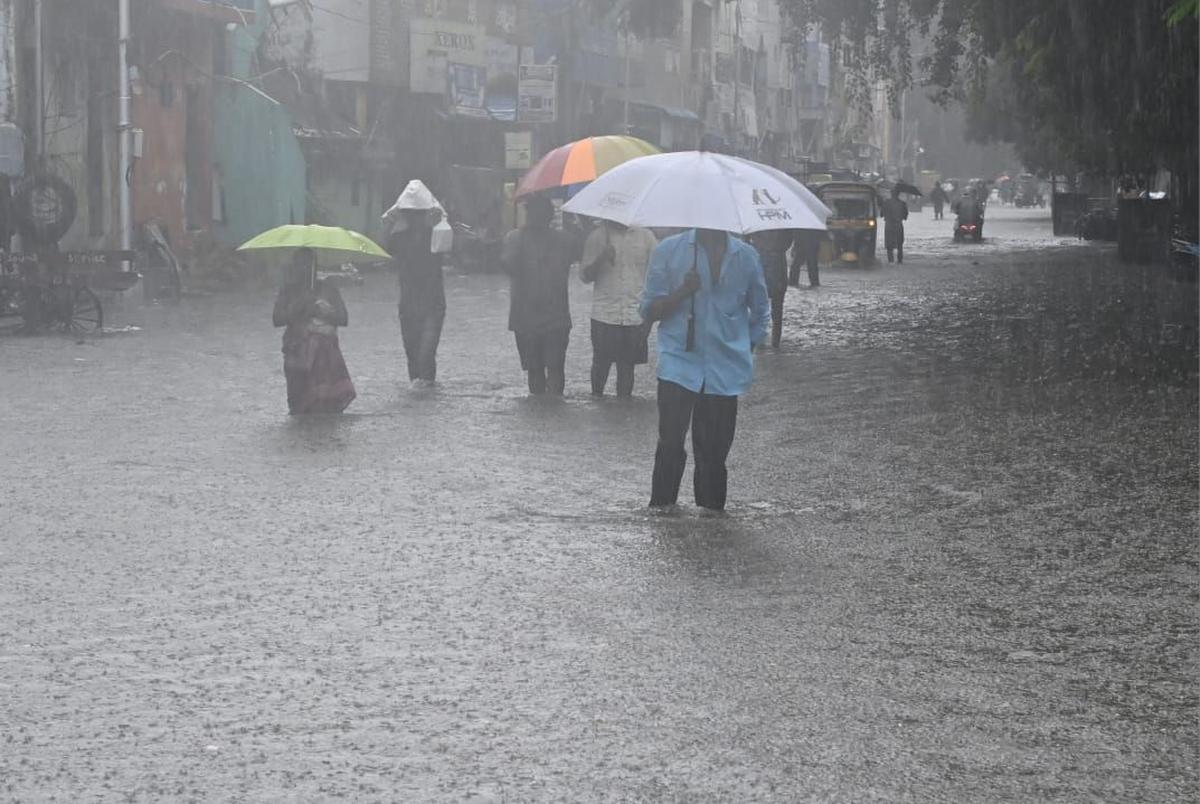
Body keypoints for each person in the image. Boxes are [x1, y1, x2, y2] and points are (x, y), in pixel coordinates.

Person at [640, 228, 770, 511]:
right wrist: (682, 292)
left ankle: (712, 524)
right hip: (678, 363)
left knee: (713, 454)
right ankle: (663, 515)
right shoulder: (668, 251)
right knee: (670, 444)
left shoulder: (746, 257)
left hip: (725, 369)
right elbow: (649, 311)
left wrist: (742, 349)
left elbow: (761, 312)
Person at [501, 196, 577, 395]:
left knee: (551, 369)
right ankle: (548, 412)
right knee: (541, 369)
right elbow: (508, 266)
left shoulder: (563, 240)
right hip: (530, 318)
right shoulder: (516, 239)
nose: (536, 217)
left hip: (550, 317)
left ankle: (545, 412)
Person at [272, 248, 356, 415]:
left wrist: (323, 311)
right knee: (298, 406)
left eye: (309, 265)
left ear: (315, 267)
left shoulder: (327, 289)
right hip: (296, 354)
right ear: (295, 267)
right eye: (300, 265)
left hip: (326, 357)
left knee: (327, 407)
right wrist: (301, 307)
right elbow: (277, 319)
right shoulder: (288, 290)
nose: (304, 270)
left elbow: (343, 318)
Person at [580, 219, 658, 396]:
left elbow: (656, 275)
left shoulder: (646, 237)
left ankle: (623, 409)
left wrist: (649, 319)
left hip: (635, 313)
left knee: (627, 368)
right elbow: (585, 276)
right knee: (600, 365)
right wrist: (601, 258)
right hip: (604, 314)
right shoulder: (596, 237)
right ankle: (597, 405)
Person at [384, 180, 447, 384]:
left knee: (426, 354)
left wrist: (438, 223)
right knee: (413, 357)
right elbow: (383, 249)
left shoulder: (437, 234)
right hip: (409, 304)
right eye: (412, 214)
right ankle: (421, 393)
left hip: (432, 304)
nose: (416, 218)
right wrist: (389, 224)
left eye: (419, 214)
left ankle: (426, 392)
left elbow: (449, 247)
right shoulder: (400, 238)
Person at [748, 229, 791, 348]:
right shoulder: (782, 225)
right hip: (768, 263)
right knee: (768, 305)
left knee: (770, 305)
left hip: (772, 264)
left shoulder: (756, 223)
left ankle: (767, 338)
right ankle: (768, 339)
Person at [880, 187, 909, 263]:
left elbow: (881, 214)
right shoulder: (902, 204)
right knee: (899, 243)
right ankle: (900, 259)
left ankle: (891, 260)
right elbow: (905, 216)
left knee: (889, 244)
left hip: (889, 225)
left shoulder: (886, 203)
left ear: (891, 194)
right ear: (898, 194)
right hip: (898, 224)